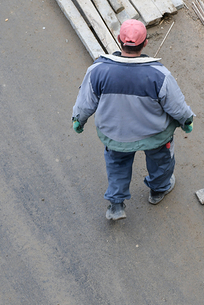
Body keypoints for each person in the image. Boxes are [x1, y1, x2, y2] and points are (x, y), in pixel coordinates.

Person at [72, 19, 195, 221]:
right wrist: (186, 120)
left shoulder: (98, 70)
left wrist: (79, 120)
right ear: (145, 43)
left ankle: (116, 206)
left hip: (116, 135)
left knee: (117, 166)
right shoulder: (159, 74)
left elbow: (85, 102)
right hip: (155, 134)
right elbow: (177, 106)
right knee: (162, 161)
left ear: (119, 40)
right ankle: (158, 190)